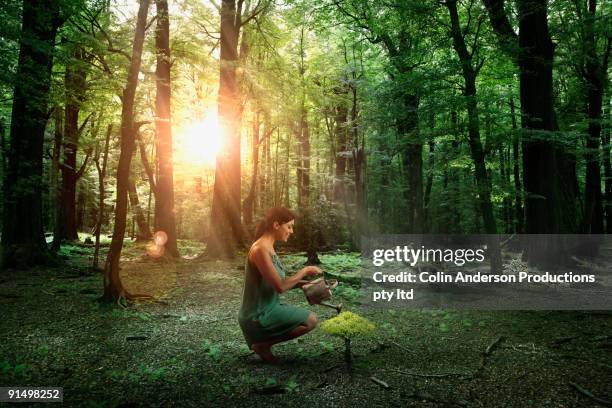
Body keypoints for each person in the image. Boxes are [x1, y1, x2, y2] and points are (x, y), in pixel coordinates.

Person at [238, 207, 321, 363]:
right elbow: (280, 287)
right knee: (311, 320)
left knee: (310, 320)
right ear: (276, 225)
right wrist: (305, 270)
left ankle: (262, 345)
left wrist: (304, 284)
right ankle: (262, 345)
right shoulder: (260, 249)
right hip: (257, 314)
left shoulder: (269, 247)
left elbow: (276, 281)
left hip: (269, 308)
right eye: (289, 226)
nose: (292, 231)